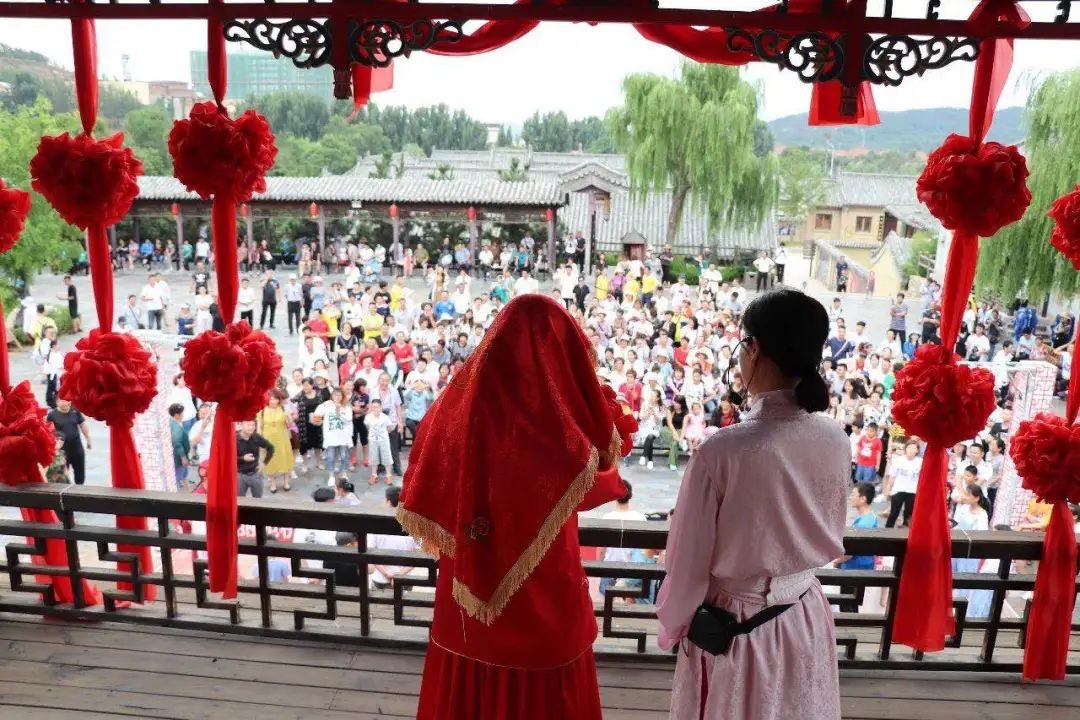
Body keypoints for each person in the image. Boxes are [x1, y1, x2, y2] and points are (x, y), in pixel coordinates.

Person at [396, 294, 629, 720]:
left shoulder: (455, 405)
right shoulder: (560, 425)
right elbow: (597, 487)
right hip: (544, 582)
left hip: (465, 588)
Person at [657, 288, 848, 720]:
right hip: (804, 614)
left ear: (753, 347)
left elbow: (686, 563)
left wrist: (674, 626)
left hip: (736, 628)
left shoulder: (722, 452)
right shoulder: (835, 437)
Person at [598, 481, 648, 598]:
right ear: (630, 496)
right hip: (632, 571)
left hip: (609, 568)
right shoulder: (640, 518)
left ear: (614, 497)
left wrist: (599, 568)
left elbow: (601, 550)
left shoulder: (607, 518)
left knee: (605, 597)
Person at [312, 387, 353, 486]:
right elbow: (317, 413)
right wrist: (324, 404)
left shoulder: (346, 407)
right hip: (330, 437)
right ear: (332, 396)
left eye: (339, 395)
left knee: (344, 456)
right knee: (330, 457)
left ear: (342, 396)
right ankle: (331, 476)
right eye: (335, 395)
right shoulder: (328, 406)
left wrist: (339, 413)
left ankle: (344, 474)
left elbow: (348, 420)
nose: (337, 397)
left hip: (343, 437)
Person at [257, 390, 295, 493]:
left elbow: (289, 424)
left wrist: (289, 418)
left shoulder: (283, 409)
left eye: (275, 399)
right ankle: (273, 483)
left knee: (285, 459)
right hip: (268, 440)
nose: (273, 401)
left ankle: (286, 482)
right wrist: (259, 441)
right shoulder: (262, 412)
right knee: (270, 461)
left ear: (279, 400)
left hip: (282, 439)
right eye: (271, 399)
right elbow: (259, 427)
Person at [46, 398, 91, 485]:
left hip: (77, 448)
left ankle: (79, 490)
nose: (65, 403)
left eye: (67, 401)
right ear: (57, 402)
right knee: (63, 475)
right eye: (62, 401)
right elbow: (48, 431)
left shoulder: (75, 412)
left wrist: (88, 439)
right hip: (62, 450)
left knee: (80, 474)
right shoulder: (52, 415)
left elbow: (82, 425)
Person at [835, 483, 878, 570]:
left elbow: (849, 554)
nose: (850, 497)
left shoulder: (863, 525)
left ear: (863, 499)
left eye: (853, 494)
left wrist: (836, 562)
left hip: (855, 567)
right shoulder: (871, 516)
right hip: (866, 563)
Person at [884, 439, 921, 528]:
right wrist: (888, 489)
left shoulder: (920, 462)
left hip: (912, 491)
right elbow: (892, 476)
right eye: (909, 447)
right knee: (894, 513)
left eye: (914, 448)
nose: (911, 450)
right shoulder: (898, 460)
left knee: (908, 515)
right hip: (898, 489)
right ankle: (887, 530)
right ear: (905, 448)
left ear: (917, 450)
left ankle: (905, 531)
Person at [236, 420, 274, 498]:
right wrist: (243, 458)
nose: (251, 427)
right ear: (241, 425)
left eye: (253, 425)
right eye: (248, 425)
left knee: (258, 499)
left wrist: (264, 463)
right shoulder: (234, 438)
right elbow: (228, 458)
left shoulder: (256, 437)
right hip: (239, 475)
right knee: (239, 499)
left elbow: (271, 448)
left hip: (256, 473)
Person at [364, 399, 394, 486]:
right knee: (373, 457)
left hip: (383, 439)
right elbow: (367, 426)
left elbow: (389, 428)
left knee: (386, 456)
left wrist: (383, 434)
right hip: (373, 440)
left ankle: (388, 475)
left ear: (381, 407)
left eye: (377, 407)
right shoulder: (368, 417)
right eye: (373, 407)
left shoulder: (385, 417)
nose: (375, 409)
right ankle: (374, 475)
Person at [168, 403, 191, 488]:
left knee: (183, 477)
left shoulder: (172, 423)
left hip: (178, 457)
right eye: (182, 413)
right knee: (178, 479)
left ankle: (187, 492)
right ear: (176, 415)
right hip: (179, 459)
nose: (183, 415)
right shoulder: (176, 427)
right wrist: (183, 457)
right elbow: (177, 443)